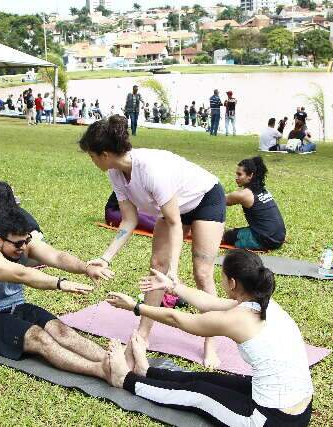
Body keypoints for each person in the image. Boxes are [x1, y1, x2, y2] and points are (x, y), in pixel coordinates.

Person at [78, 116, 226, 368]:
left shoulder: (150, 169)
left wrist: (174, 271)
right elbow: (128, 221)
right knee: (156, 265)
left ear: (104, 154)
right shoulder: (115, 171)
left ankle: (210, 343)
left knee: (202, 274)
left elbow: (175, 223)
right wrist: (105, 257)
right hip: (173, 209)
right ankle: (143, 333)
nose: (91, 161)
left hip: (204, 199)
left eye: (91, 156)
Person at [105, 249, 314, 427]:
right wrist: (172, 286)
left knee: (198, 393)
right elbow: (207, 303)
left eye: (221, 276)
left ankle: (125, 379)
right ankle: (145, 371)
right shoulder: (262, 301)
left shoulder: (237, 318)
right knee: (207, 379)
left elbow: (176, 318)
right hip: (297, 408)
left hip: (273, 420)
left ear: (232, 282)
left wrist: (136, 306)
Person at [0, 208, 115, 381]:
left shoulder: (21, 244)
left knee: (62, 331)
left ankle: (111, 360)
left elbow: (57, 256)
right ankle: (102, 370)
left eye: (26, 240)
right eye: (18, 244)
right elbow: (22, 274)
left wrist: (86, 268)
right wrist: (60, 283)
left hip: (16, 306)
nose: (24, 247)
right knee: (40, 338)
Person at [223, 157, 286, 250]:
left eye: (239, 174)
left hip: (266, 240)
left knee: (225, 236)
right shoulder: (264, 190)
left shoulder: (244, 195)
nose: (236, 178)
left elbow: (220, 200)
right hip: (278, 238)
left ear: (250, 175)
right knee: (235, 231)